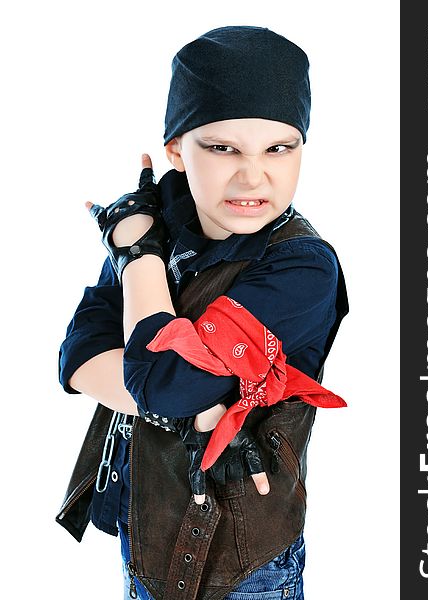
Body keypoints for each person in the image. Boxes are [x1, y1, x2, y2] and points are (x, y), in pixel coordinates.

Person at [57, 26, 349, 600]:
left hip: (243, 566)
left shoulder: (301, 269)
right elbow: (77, 354)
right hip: (145, 529)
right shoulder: (162, 218)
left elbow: (161, 384)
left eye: (278, 148)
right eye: (222, 148)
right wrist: (187, 405)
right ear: (175, 150)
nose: (253, 174)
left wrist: (137, 252)